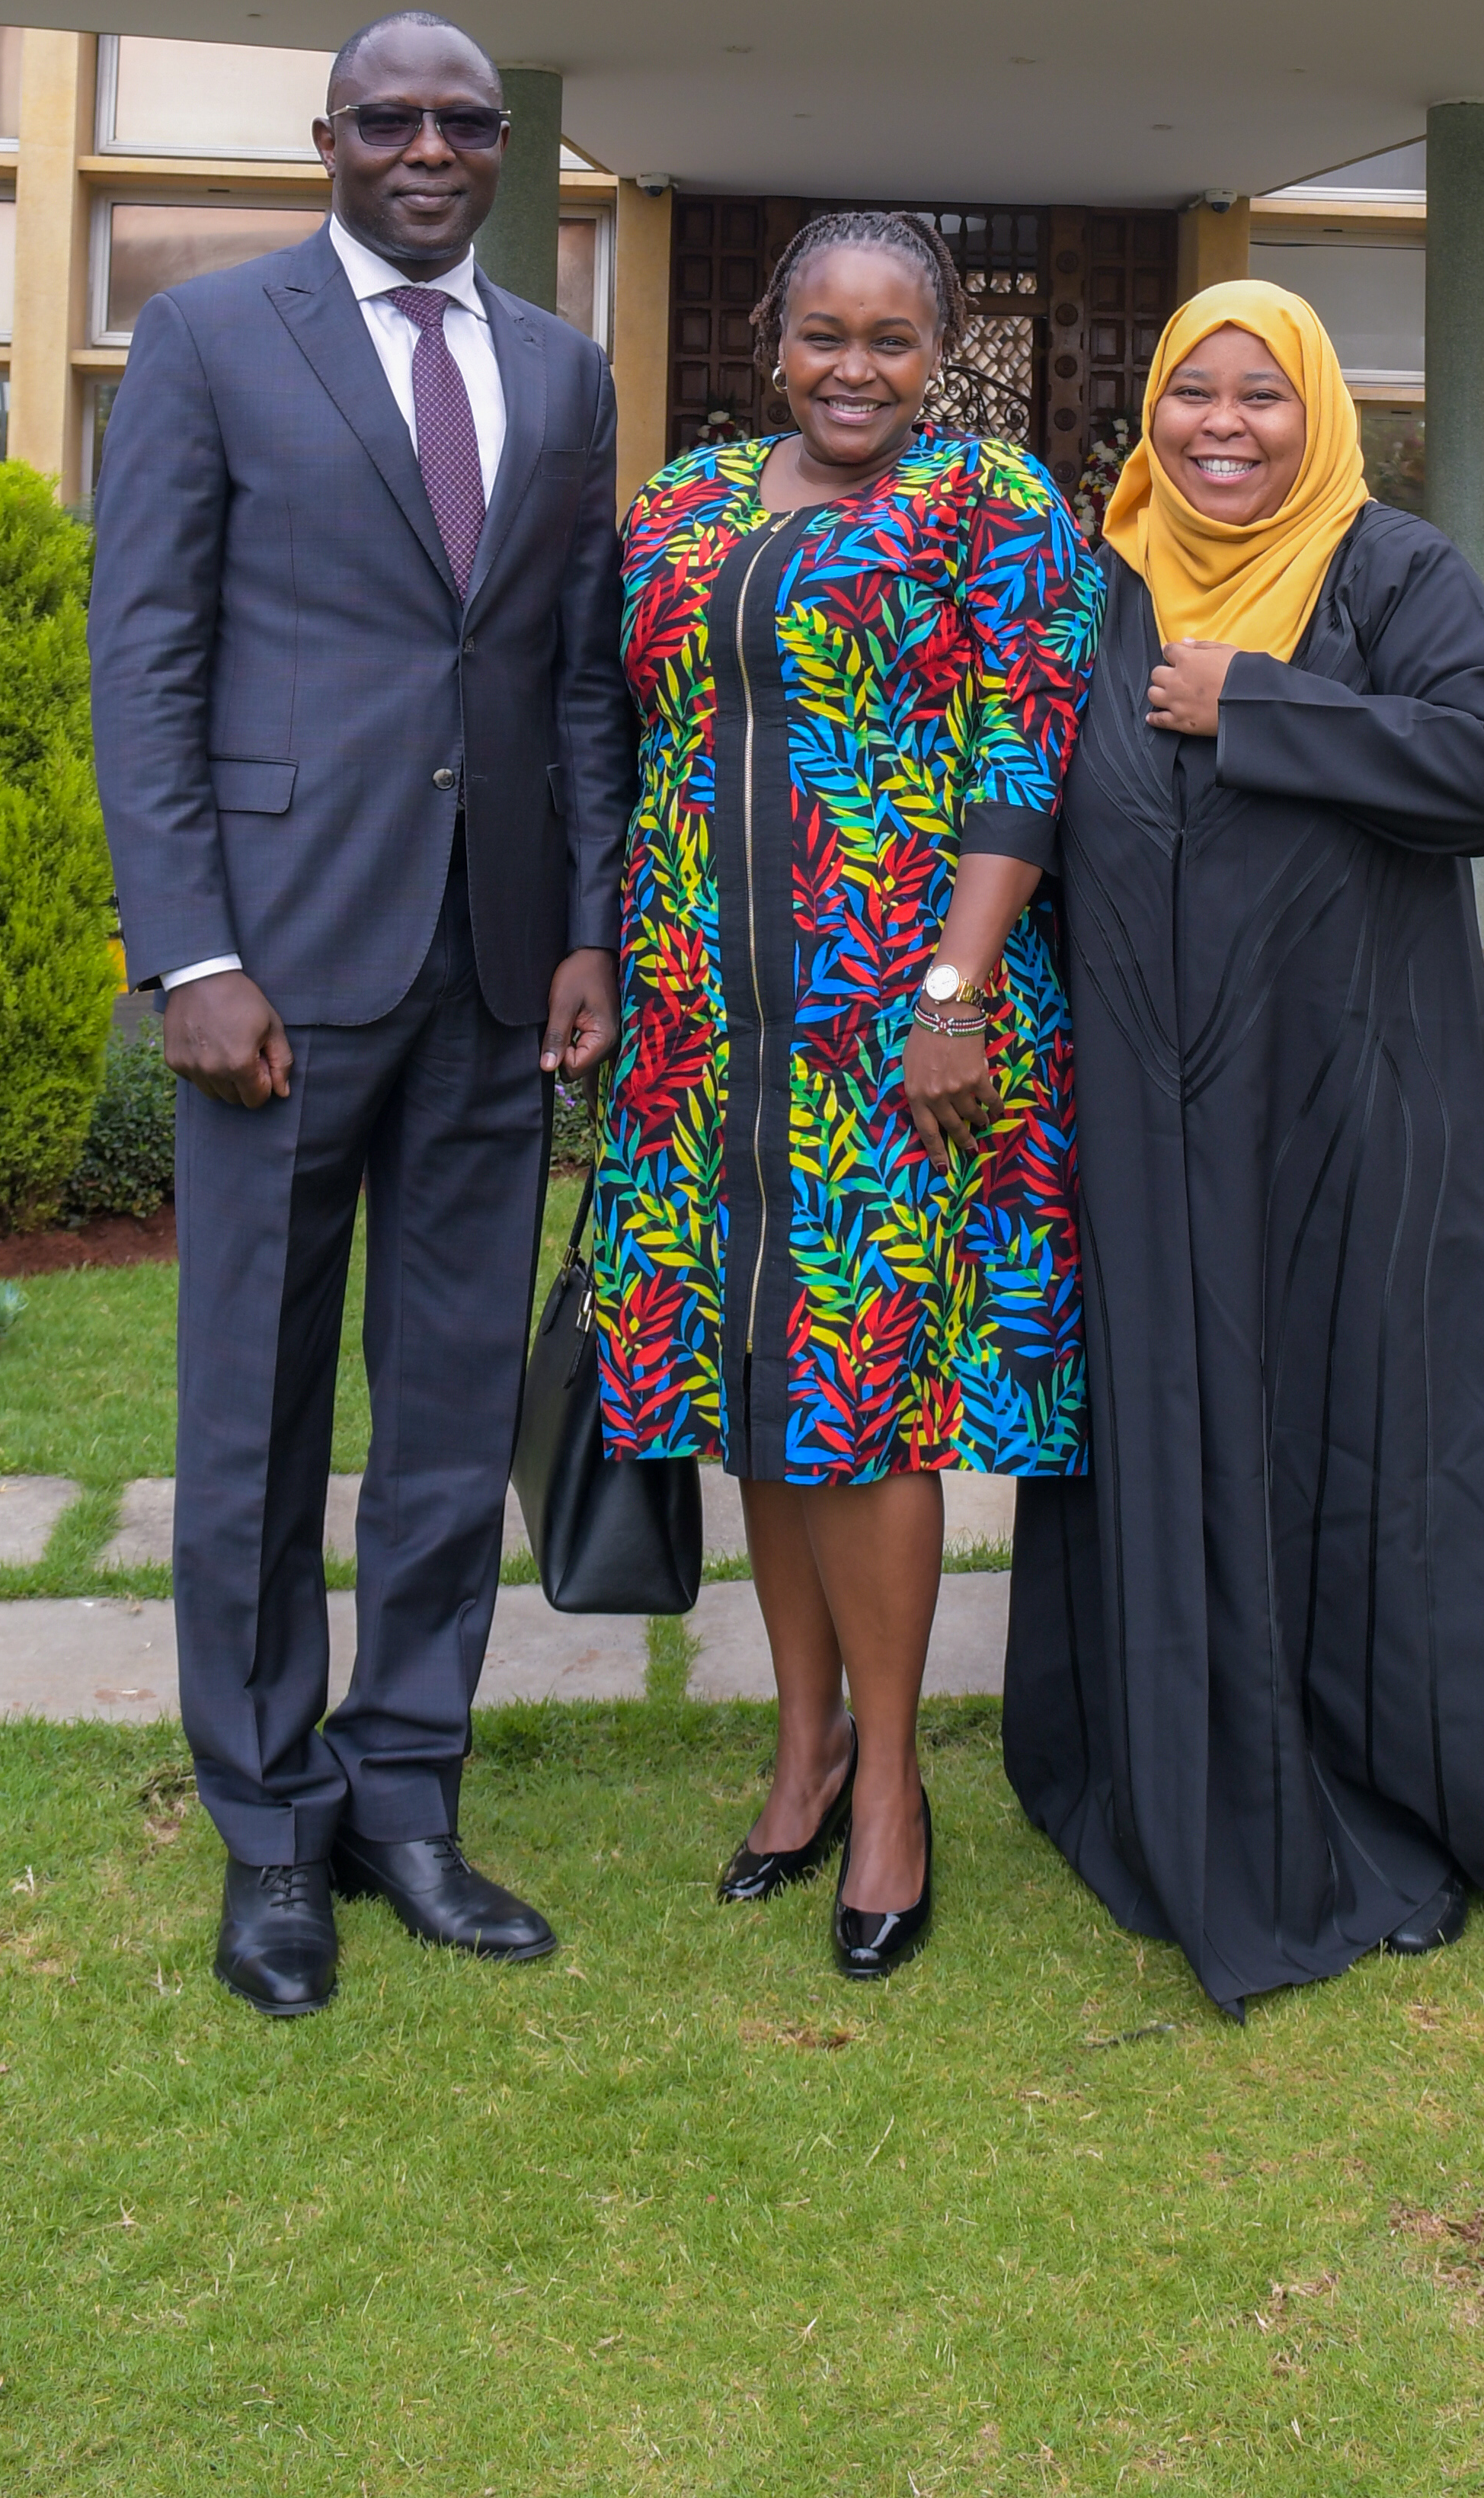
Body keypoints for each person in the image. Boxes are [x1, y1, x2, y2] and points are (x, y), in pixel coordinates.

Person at [89, 14, 635, 2021]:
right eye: (389, 117)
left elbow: (577, 680)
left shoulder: (565, 374)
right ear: (326, 136)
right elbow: (145, 660)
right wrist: (192, 953)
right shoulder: (213, 340)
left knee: (443, 1412)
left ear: (501, 153)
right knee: (251, 1416)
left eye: (462, 122)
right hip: (281, 977)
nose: (426, 146)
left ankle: (407, 1796)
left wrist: (584, 931)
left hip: (497, 976)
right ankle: (268, 1832)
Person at [1003, 277, 1484, 2013]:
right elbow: (1010, 797)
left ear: (1320, 413)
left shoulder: (1392, 573)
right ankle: (1174, 1759)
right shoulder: (1093, 586)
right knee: (1169, 1409)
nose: (1223, 428)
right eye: (1192, 394)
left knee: (1342, 1425)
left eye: (1262, 396)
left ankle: (1361, 1778)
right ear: (1150, 408)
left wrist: (1261, 702)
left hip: (1343, 1105)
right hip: (1140, 1121)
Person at [586, 213, 1101, 1980]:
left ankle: (891, 1786)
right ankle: (796, 1744)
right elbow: (633, 730)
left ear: (941, 347)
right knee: (755, 1379)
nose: (856, 366)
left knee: (870, 1395)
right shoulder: (686, 501)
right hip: (695, 1023)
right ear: (770, 338)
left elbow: (1027, 755)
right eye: (825, 334)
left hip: (894, 1030)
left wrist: (953, 993)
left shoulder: (994, 503)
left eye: (893, 337)